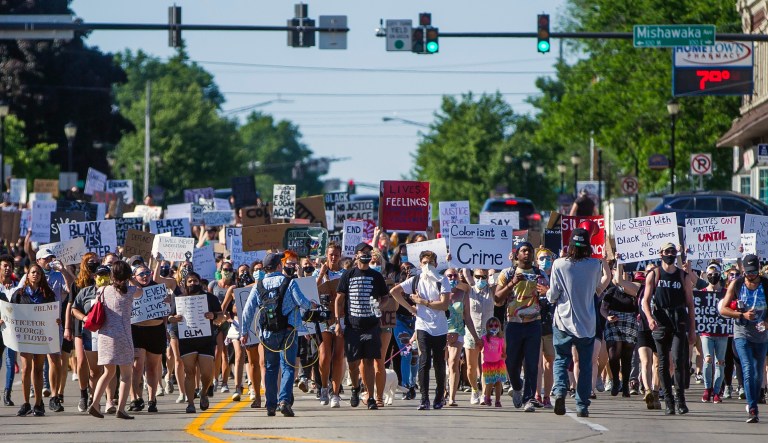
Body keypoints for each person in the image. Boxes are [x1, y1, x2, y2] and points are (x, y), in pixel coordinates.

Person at [241, 252, 316, 417]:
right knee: (288, 366)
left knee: (270, 368)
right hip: (288, 331)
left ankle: (271, 404)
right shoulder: (289, 282)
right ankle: (284, 401)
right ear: (279, 266)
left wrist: (244, 331)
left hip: (267, 333)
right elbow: (302, 302)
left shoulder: (258, 285)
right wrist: (313, 305)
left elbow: (247, 310)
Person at [547, 228, 611, 418]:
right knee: (584, 365)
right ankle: (582, 405)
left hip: (563, 321)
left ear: (570, 245)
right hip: (587, 323)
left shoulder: (559, 264)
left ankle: (560, 391)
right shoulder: (594, 265)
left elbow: (553, 295)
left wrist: (560, 260)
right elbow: (598, 287)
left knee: (561, 359)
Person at [390, 250, 452, 411]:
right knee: (424, 360)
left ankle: (439, 397)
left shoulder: (442, 280)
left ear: (436, 265)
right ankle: (424, 399)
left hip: (439, 327)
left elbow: (444, 305)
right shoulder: (416, 280)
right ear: (420, 264)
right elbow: (394, 292)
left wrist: (422, 302)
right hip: (422, 325)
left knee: (438, 362)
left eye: (430, 263)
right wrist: (410, 307)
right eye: (424, 263)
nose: (427, 266)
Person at [641, 242, 696, 415]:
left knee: (679, 360)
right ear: (661, 253)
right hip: (660, 320)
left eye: (673, 251)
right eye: (667, 251)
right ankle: (668, 401)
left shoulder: (682, 276)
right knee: (663, 363)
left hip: (678, 319)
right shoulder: (654, 274)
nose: (670, 254)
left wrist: (692, 329)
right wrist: (649, 318)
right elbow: (645, 300)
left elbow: (690, 303)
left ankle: (680, 400)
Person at [334, 242, 389, 410]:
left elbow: (386, 297)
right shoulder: (348, 275)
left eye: (368, 252)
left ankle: (370, 397)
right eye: (362, 252)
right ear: (356, 255)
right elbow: (338, 300)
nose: (366, 254)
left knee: (369, 361)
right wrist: (338, 323)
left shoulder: (376, 276)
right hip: (353, 326)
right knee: (352, 363)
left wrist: (380, 306)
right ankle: (355, 388)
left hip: (371, 325)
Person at [494, 241, 548, 412]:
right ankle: (517, 386)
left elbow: (550, 298)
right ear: (517, 255)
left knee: (532, 364)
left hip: (534, 324)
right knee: (512, 363)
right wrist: (512, 283)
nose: (527, 253)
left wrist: (545, 292)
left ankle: (529, 399)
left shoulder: (540, 274)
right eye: (523, 251)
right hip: (513, 324)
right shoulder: (507, 273)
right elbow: (497, 299)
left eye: (530, 251)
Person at [87, 261, 143, 419]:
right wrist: (131, 278)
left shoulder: (102, 290)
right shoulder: (131, 291)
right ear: (127, 276)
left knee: (108, 372)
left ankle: (95, 402)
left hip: (105, 336)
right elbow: (141, 291)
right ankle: (121, 409)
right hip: (123, 336)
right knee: (126, 374)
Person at [719, 254, 768, 423]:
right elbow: (723, 309)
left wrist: (766, 323)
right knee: (747, 369)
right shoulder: (737, 284)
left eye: (754, 272)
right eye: (748, 272)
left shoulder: (766, 285)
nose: (751, 276)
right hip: (742, 333)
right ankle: (752, 408)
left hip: (761, 336)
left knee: (757, 374)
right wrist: (741, 314)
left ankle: (753, 400)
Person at [169, 271, 224, 414]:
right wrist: (174, 319)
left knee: (207, 374)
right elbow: (170, 317)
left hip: (206, 340)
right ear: (185, 284)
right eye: (190, 281)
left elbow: (221, 316)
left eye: (195, 281)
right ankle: (190, 403)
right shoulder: (179, 299)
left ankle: (204, 392)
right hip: (187, 340)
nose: (193, 283)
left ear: (200, 283)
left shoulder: (210, 298)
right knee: (189, 372)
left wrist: (213, 316)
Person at [11, 264, 58, 417]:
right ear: (28, 275)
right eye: (33, 272)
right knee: (26, 369)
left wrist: (56, 320)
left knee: (38, 369)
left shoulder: (47, 294)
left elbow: (54, 312)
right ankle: (25, 403)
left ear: (41, 276)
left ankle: (38, 404)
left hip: (41, 336)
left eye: (38, 273)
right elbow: (10, 311)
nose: (35, 275)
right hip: (26, 336)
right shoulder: (19, 294)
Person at [71, 265, 116, 414]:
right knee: (94, 371)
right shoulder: (85, 292)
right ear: (94, 277)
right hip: (91, 334)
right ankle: (94, 399)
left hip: (110, 333)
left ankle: (110, 401)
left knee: (109, 368)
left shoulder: (115, 291)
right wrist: (84, 318)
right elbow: (74, 308)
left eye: (105, 275)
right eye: (99, 275)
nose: (102, 278)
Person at [129, 264, 168, 413]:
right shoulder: (130, 290)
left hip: (156, 330)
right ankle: (136, 399)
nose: (145, 276)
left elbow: (164, 312)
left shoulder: (158, 288)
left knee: (152, 367)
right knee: (137, 366)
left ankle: (152, 400)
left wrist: (165, 327)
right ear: (134, 277)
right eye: (141, 274)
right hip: (137, 331)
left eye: (147, 272)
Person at [312, 242, 345, 408]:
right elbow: (311, 293)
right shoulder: (320, 272)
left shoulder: (344, 273)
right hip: (323, 317)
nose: (333, 257)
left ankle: (336, 393)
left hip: (341, 317)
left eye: (336, 255)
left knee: (338, 357)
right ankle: (323, 387)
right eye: (331, 254)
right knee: (324, 356)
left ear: (340, 256)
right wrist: (321, 274)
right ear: (327, 255)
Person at [600, 263, 639, 398]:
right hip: (614, 321)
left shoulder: (635, 289)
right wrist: (607, 316)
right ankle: (616, 380)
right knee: (613, 354)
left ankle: (626, 385)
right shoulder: (611, 291)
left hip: (630, 321)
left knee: (627, 356)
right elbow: (603, 308)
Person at [444, 268, 480, 407]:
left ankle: (452, 398)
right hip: (441, 331)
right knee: (442, 365)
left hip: (458, 331)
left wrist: (476, 337)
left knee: (454, 362)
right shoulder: (439, 293)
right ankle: (442, 392)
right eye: (449, 276)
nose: (452, 278)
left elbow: (468, 317)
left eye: (454, 276)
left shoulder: (463, 294)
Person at [462, 267, 495, 406]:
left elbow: (502, 276)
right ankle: (474, 390)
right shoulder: (469, 290)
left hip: (488, 333)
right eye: (478, 277)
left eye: (484, 277)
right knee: (471, 366)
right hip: (472, 332)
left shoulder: (492, 290)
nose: (481, 280)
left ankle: (484, 394)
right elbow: (457, 279)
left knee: (486, 365)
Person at [700, 264, 727, 404]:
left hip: (722, 333)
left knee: (720, 362)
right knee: (708, 359)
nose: (713, 275)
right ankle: (707, 388)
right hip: (707, 332)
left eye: (715, 272)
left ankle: (717, 391)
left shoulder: (725, 293)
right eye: (710, 273)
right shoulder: (702, 292)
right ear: (706, 275)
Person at [0, 254, 19, 407]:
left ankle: (7, 393)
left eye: (10, 266)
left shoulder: (17, 286)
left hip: (12, 330)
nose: (7, 268)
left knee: (10, 361)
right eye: (5, 266)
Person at [481, 317, 506, 407]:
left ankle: (498, 400)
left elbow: (504, 351)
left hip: (499, 363)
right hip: (488, 363)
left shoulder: (501, 339)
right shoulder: (484, 338)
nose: (494, 327)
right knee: (490, 382)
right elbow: (480, 348)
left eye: (496, 325)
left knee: (498, 382)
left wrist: (504, 355)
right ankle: (487, 397)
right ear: (487, 327)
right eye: (491, 325)